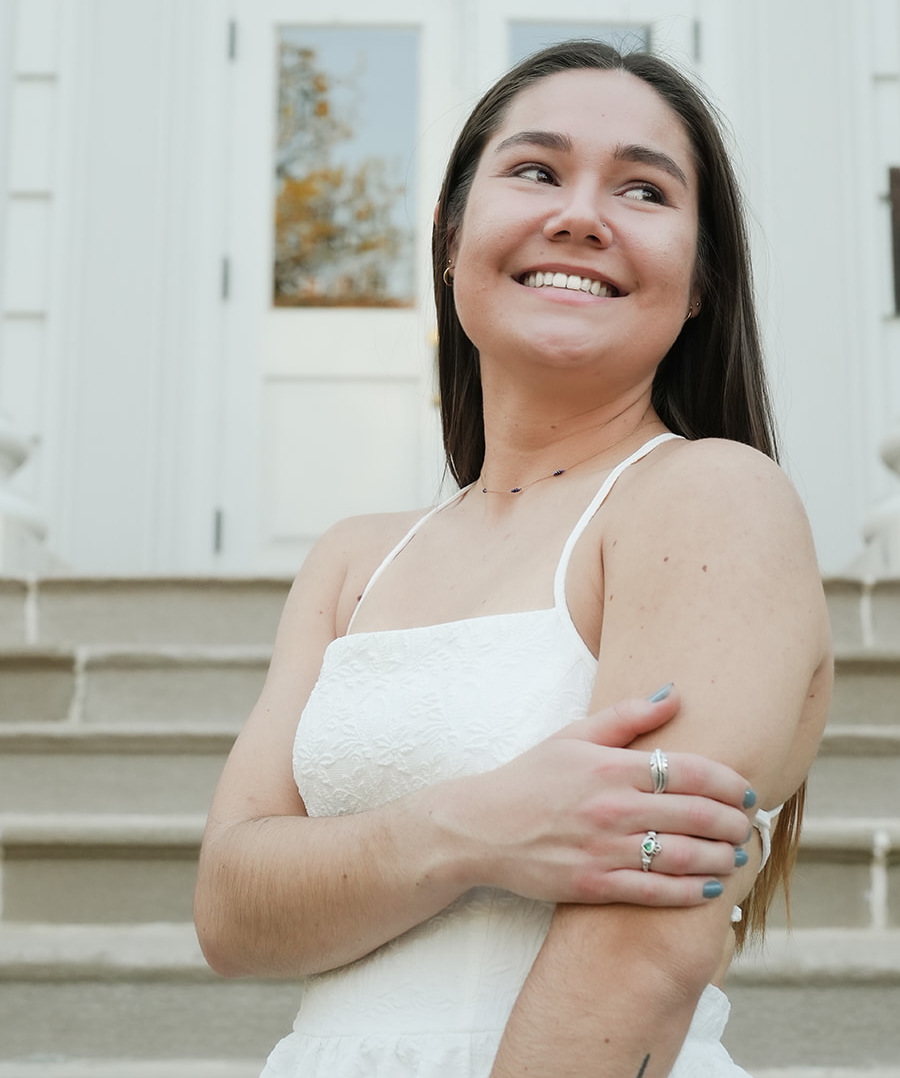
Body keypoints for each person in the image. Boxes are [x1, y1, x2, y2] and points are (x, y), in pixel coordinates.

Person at [194, 39, 832, 1078]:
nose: (582, 214)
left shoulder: (710, 499)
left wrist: (360, 860)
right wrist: (476, 827)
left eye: (643, 188)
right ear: (450, 237)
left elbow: (639, 951)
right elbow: (231, 911)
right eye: (535, 170)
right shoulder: (354, 561)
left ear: (702, 279)